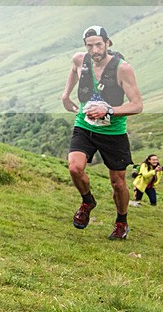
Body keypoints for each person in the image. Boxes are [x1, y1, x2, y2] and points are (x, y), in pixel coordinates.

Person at [61, 26, 143, 239]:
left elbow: (137, 105)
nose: (95, 50)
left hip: (113, 132)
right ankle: (88, 201)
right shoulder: (80, 59)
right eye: (90, 45)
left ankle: (121, 221)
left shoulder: (122, 68)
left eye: (99, 44)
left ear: (108, 43)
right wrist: (66, 95)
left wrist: (109, 110)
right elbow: (73, 71)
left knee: (118, 182)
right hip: (85, 125)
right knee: (74, 168)